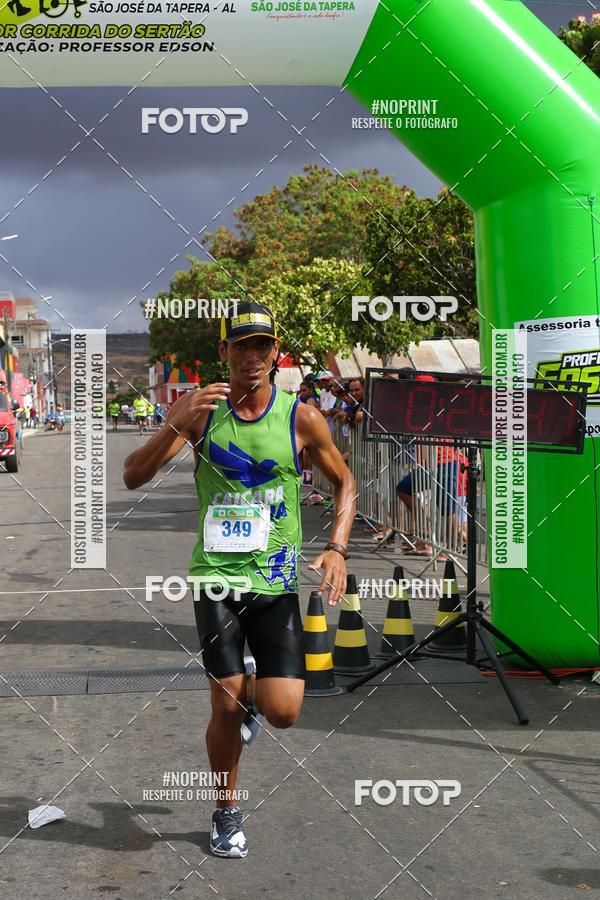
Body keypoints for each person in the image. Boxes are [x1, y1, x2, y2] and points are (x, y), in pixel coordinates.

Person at [123, 300, 355, 859]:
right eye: (242, 346)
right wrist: (175, 421)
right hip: (217, 581)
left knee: (284, 712)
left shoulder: (300, 416)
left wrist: (337, 548)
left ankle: (253, 701)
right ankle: (226, 809)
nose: (253, 356)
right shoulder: (201, 412)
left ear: (276, 354)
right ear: (224, 352)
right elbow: (133, 476)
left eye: (263, 346)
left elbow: (345, 482)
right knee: (223, 705)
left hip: (274, 586)